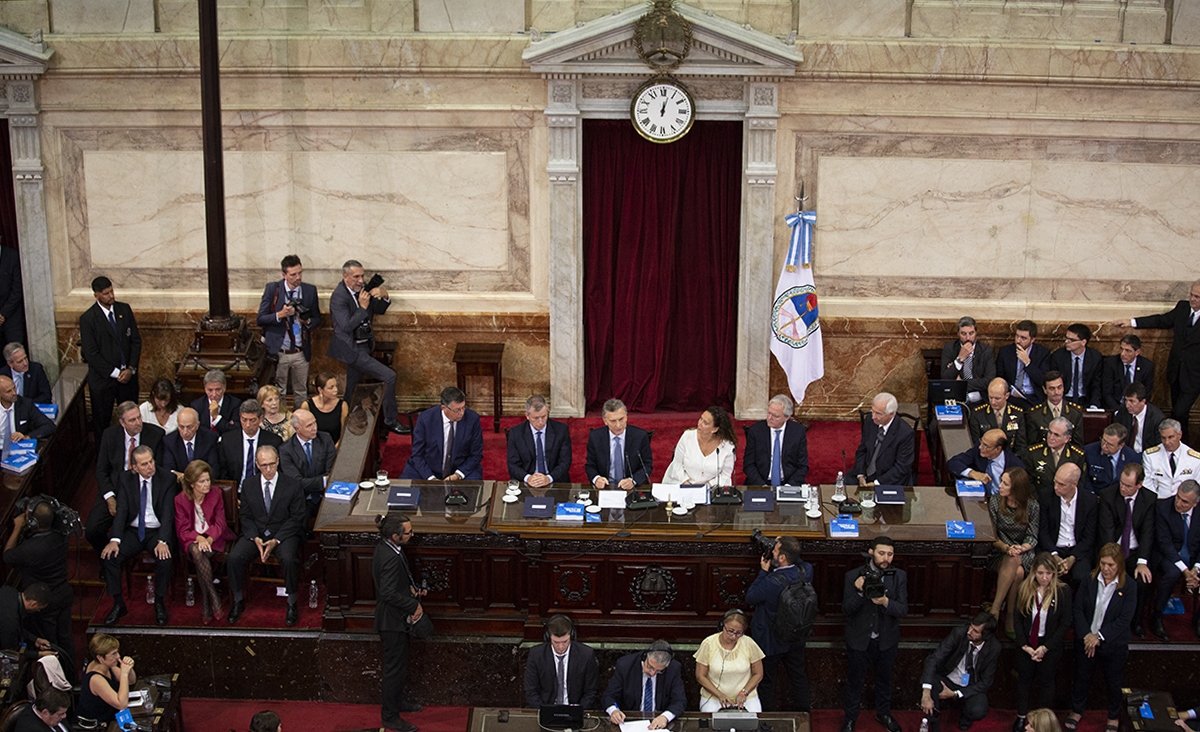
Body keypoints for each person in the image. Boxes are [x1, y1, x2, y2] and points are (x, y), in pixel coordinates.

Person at [227, 445, 305, 626]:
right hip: (257, 533)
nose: (268, 469)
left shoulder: (292, 484)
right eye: (264, 465)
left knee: (288, 558)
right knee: (234, 557)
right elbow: (245, 516)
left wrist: (276, 540)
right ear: (257, 464)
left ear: (278, 462)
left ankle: (292, 602)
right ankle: (237, 600)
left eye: (272, 464)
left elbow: (297, 518)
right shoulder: (248, 484)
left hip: (283, 534)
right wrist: (255, 537)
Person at [1114, 280, 1200, 442]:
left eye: (1197, 297)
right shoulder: (1183, 308)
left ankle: (1181, 446)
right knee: (1177, 412)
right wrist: (1132, 322)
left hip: (1194, 375)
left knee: (1179, 412)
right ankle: (1177, 444)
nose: (1193, 299)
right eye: (1192, 295)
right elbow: (1162, 320)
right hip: (1176, 371)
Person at [100, 445, 177, 627]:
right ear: (135, 468)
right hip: (134, 530)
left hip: (157, 531)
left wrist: (163, 540)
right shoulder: (125, 479)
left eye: (151, 461)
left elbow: (168, 513)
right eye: (144, 464)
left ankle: (159, 602)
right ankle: (119, 604)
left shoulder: (167, 479)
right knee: (110, 557)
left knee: (164, 558)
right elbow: (122, 511)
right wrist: (115, 539)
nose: (150, 466)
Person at [1067, 543, 1137, 732]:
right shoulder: (1089, 580)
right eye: (1103, 563)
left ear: (1119, 566)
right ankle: (1076, 711)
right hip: (1086, 640)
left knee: (1114, 682)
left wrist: (1099, 636)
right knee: (1081, 677)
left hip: (1113, 644)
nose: (1105, 569)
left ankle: (1113, 716)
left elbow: (1124, 619)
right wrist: (1087, 636)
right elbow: (1078, 609)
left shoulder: (1129, 586)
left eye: (1111, 565)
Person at [327, 259, 403, 434]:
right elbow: (346, 326)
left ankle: (343, 420)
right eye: (356, 276)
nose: (361, 280)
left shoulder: (361, 290)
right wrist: (362, 307)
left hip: (364, 346)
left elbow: (379, 309)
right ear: (346, 277)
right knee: (389, 376)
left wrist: (384, 295)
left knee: (352, 388)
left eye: (362, 276)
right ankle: (390, 420)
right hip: (351, 350)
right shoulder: (339, 297)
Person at [841, 536, 908, 732]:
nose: (886, 558)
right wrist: (860, 592)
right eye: (881, 553)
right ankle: (850, 719)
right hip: (859, 640)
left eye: (890, 554)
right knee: (854, 682)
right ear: (871, 552)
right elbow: (846, 609)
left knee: (884, 681)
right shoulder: (853, 575)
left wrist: (885, 602)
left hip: (886, 640)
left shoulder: (899, 576)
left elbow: (903, 609)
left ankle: (884, 714)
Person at [3, 499, 74, 679]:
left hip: (45, 603)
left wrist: (18, 527)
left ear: (33, 522)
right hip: (63, 594)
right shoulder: (61, 536)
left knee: (50, 644)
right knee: (65, 638)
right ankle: (72, 677)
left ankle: (58, 681)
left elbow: (7, 555)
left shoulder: (31, 549)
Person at [85, 401, 165, 556]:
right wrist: (110, 498)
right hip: (116, 489)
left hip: (144, 488)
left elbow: (159, 470)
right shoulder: (109, 435)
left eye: (139, 417)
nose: (138, 423)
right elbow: (101, 471)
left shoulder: (156, 434)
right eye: (132, 420)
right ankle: (107, 560)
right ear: (122, 423)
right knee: (92, 530)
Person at [746, 535, 813, 712]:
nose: (772, 552)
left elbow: (751, 597)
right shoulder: (806, 570)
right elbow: (796, 559)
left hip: (771, 640)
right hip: (796, 636)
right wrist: (788, 546)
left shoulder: (771, 582)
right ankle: (803, 713)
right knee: (798, 676)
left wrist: (763, 571)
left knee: (767, 681)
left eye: (775, 551)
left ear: (782, 557)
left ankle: (768, 717)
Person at [373, 514, 424, 732]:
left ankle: (397, 703)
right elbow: (387, 592)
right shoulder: (389, 557)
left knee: (400, 667)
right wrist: (413, 605)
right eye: (408, 532)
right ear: (395, 536)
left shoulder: (389, 548)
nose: (412, 535)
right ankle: (390, 716)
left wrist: (411, 589)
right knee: (394, 670)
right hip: (391, 622)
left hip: (395, 618)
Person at [1012, 554, 1073, 732]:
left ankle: (1042, 722)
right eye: (1040, 573)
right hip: (1027, 644)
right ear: (1034, 572)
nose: (1044, 577)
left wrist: (1045, 648)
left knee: (1047, 682)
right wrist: (1025, 646)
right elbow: (1017, 618)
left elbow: (1064, 623)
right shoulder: (1024, 588)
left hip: (1049, 644)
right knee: (1024, 680)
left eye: (1049, 573)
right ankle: (1021, 717)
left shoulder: (1062, 592)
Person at [257, 254, 322, 410]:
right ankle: (281, 420)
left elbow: (317, 319)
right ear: (284, 275)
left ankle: (300, 420)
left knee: (301, 391)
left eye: (300, 273)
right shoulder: (273, 289)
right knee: (278, 392)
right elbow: (260, 318)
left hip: (300, 351)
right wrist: (281, 315)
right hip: (279, 351)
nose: (298, 277)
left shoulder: (309, 290)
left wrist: (306, 321)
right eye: (293, 274)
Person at [1098, 463, 1156, 638]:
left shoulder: (1149, 499)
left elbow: (1148, 532)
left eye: (1128, 486)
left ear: (1139, 485)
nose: (1123, 488)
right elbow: (1106, 531)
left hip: (1134, 552)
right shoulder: (1108, 495)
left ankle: (1136, 622)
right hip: (1112, 551)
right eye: (1122, 483)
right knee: (1109, 576)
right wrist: (1112, 561)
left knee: (1143, 581)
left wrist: (1142, 562)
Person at [79, 276, 141, 438]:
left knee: (132, 420)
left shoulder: (124, 310)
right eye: (106, 293)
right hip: (103, 381)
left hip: (128, 378)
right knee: (102, 423)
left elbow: (135, 341)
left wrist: (131, 369)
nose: (111, 296)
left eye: (111, 291)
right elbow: (91, 353)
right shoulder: (88, 319)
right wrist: (115, 373)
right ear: (96, 295)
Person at [173, 459, 234, 624]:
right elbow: (182, 530)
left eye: (208, 480)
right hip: (192, 538)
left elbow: (220, 523)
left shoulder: (216, 493)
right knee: (196, 550)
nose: (207, 484)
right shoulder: (180, 499)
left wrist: (208, 538)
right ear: (192, 484)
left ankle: (207, 603)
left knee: (200, 552)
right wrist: (198, 538)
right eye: (202, 481)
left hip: (214, 537)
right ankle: (212, 596)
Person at [919, 612, 1000, 732]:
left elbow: (986, 682)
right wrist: (926, 693)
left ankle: (965, 718)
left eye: (975, 631)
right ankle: (934, 726)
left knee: (978, 710)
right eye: (971, 627)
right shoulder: (959, 633)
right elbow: (933, 659)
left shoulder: (994, 648)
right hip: (948, 678)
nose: (969, 632)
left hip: (971, 684)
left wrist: (956, 694)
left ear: (986, 636)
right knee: (931, 684)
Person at [987, 467, 1039, 634]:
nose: (1000, 485)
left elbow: (1032, 536)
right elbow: (992, 534)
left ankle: (995, 609)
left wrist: (1020, 548)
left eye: (1005, 483)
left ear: (1016, 488)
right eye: (1001, 481)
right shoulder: (995, 501)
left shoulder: (1032, 506)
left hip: (1023, 553)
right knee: (1017, 572)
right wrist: (1007, 548)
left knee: (1016, 564)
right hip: (1000, 551)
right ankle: (1009, 615)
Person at [1150, 478, 1200, 642]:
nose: (1178, 503)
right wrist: (1185, 571)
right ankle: (1157, 616)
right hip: (1168, 555)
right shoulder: (1164, 508)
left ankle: (1198, 619)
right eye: (1178, 497)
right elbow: (1164, 543)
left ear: (1195, 503)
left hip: (1193, 556)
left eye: (1184, 502)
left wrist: (1196, 569)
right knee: (1171, 573)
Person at [400, 386, 484, 481]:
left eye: (463, 407)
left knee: (473, 488)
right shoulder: (426, 419)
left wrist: (457, 475)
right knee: (404, 489)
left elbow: (476, 455)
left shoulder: (472, 419)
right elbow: (417, 454)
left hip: (460, 469)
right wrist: (431, 478)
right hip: (428, 468)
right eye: (457, 410)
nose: (462, 413)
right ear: (444, 408)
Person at [601, 640, 686, 730]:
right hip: (630, 722)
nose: (653, 673)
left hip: (659, 723)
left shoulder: (673, 668)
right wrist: (614, 711)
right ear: (645, 657)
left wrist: (665, 717)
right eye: (650, 667)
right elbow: (609, 696)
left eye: (658, 671)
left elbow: (680, 701)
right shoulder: (625, 665)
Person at [1037, 462, 1096, 587]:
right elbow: (1043, 531)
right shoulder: (1046, 496)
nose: (1056, 487)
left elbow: (1089, 536)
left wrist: (1073, 557)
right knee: (1046, 574)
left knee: (1082, 577)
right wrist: (1054, 554)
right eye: (1055, 482)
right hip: (1052, 548)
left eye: (1061, 484)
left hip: (1078, 550)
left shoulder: (1089, 501)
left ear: (1074, 484)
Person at [694, 610, 765, 712]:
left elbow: (758, 674)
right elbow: (700, 676)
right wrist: (719, 694)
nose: (733, 636)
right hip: (714, 697)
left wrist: (744, 693)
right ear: (723, 625)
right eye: (730, 631)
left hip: (746, 697)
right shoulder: (708, 643)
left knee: (753, 723)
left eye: (738, 633)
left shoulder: (749, 643)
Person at [523, 614, 599, 708]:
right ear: (548, 637)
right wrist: (544, 711)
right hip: (546, 709)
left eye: (565, 641)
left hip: (576, 711)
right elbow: (531, 691)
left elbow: (591, 691)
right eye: (556, 642)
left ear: (571, 636)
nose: (561, 647)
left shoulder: (586, 654)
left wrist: (578, 711)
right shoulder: (536, 655)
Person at [280, 409, 337, 518]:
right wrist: (323, 480)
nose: (314, 428)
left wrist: (308, 482)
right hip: (302, 498)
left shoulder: (325, 439)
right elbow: (296, 483)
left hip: (326, 494)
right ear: (297, 429)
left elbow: (332, 472)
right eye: (309, 426)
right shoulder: (286, 450)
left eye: (315, 422)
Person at [585, 398, 653, 489]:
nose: (618, 425)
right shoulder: (595, 437)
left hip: (632, 487)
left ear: (626, 416)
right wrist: (596, 478)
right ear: (605, 421)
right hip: (606, 486)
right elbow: (590, 465)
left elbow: (647, 465)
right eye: (613, 421)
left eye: (621, 419)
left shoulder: (640, 436)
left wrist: (633, 480)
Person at [743, 394, 809, 486]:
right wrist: (762, 486)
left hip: (788, 482)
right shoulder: (755, 431)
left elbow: (802, 466)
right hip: (760, 482)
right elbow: (749, 465)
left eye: (775, 416)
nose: (769, 418)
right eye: (768, 413)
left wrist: (789, 486)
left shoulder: (798, 432)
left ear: (786, 418)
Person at [851, 392, 915, 489]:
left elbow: (901, 467)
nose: (873, 416)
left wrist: (876, 483)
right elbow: (862, 449)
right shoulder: (870, 421)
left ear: (891, 414)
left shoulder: (905, 433)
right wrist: (860, 474)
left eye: (878, 413)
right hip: (864, 475)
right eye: (872, 411)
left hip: (888, 480)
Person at [663, 406, 737, 487]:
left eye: (705, 423)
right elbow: (676, 464)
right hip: (681, 483)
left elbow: (725, 476)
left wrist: (706, 487)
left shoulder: (727, 447)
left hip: (711, 489)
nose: (699, 423)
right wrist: (688, 485)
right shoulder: (687, 436)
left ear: (715, 429)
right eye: (701, 419)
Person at [508, 395, 572, 486]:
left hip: (554, 480)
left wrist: (549, 478)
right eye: (536, 418)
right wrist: (528, 478)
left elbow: (565, 462)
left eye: (544, 416)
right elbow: (513, 465)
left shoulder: (561, 430)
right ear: (527, 415)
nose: (541, 422)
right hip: (527, 482)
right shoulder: (516, 433)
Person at [77, 633, 135, 731]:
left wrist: (129, 668)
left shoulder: (108, 665)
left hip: (111, 716)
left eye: (117, 652)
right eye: (113, 654)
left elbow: (131, 681)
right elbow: (121, 704)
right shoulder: (95, 678)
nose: (118, 656)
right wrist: (124, 673)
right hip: (99, 725)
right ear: (100, 657)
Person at [217, 399, 284, 483]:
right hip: (236, 490)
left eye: (252, 420)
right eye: (244, 420)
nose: (248, 425)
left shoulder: (274, 441)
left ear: (261, 418)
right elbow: (223, 470)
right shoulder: (228, 440)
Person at [947, 429, 1025, 496]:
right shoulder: (978, 451)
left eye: (985, 446)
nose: (980, 447)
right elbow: (953, 462)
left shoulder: (1016, 465)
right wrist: (972, 473)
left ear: (997, 449)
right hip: (980, 500)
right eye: (981, 442)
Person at [995, 320, 1051, 409]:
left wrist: (1028, 363)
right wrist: (1011, 391)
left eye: (1023, 338)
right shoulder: (1005, 352)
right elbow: (999, 377)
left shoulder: (1043, 353)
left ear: (1032, 340)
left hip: (1033, 397)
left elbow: (1043, 381)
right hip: (1011, 396)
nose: (1018, 341)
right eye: (1017, 336)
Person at [1023, 417, 1086, 493]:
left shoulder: (1077, 456)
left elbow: (1079, 484)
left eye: (1056, 435)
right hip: (1039, 499)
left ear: (1067, 438)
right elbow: (1028, 481)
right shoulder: (1033, 453)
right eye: (1050, 432)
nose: (1051, 437)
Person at [941, 316, 996, 404]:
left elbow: (989, 380)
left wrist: (962, 384)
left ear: (976, 333)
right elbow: (945, 377)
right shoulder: (950, 348)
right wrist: (960, 359)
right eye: (963, 334)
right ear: (958, 333)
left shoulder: (986, 351)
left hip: (979, 397)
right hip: (956, 396)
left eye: (971, 333)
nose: (968, 338)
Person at [1142, 419, 1200, 499]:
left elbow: (1197, 487)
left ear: (1179, 435)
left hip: (1184, 503)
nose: (1167, 442)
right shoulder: (1150, 456)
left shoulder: (1195, 459)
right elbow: (1147, 484)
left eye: (1170, 437)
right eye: (1163, 438)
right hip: (1158, 503)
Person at [1025, 371, 1084, 448]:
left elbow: (1078, 445)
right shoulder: (1035, 414)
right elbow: (1033, 446)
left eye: (1059, 387)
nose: (1056, 392)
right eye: (1052, 388)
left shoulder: (1075, 412)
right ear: (1045, 390)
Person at [1050, 324, 1103, 408]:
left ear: (1083, 342)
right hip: (1064, 398)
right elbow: (1053, 382)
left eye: (1071, 340)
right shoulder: (1058, 356)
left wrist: (1094, 405)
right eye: (1066, 338)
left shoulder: (1095, 357)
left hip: (1085, 399)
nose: (1066, 342)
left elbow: (1096, 384)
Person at [968, 378, 1027, 453]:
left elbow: (1021, 447)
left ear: (1007, 396)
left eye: (997, 398)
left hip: (1009, 459)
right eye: (990, 397)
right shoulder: (978, 414)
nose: (993, 402)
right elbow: (975, 444)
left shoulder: (1017, 414)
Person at [1082, 423, 1140, 495]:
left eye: (1110, 444)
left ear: (1121, 445)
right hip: (1096, 497)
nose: (1104, 446)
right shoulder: (1089, 452)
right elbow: (1085, 480)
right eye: (1103, 440)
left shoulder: (1132, 457)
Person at [1101, 334, 1154, 411]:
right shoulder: (1111, 363)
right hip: (1116, 406)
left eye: (1128, 351)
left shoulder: (1147, 366)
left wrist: (1135, 409)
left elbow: (1146, 394)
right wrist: (1118, 411)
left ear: (1137, 352)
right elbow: (1107, 393)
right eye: (1121, 349)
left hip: (1136, 407)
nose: (1123, 354)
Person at [161, 407, 218, 475]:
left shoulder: (209, 438)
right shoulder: (170, 441)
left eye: (189, 427)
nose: (185, 432)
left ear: (197, 425)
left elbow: (214, 468)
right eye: (181, 427)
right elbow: (168, 469)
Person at [1113, 382, 1165, 453]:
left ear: (1143, 401)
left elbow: (1159, 446)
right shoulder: (1123, 411)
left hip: (1147, 455)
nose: (1127, 405)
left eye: (1131, 401)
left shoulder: (1157, 419)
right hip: (1126, 453)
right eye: (1126, 400)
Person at [0, 583, 50, 658]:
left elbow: (17, 628)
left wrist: (35, 639)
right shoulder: (10, 621)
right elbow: (10, 654)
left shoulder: (9, 590)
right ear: (33, 604)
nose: (39, 610)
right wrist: (39, 654)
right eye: (39, 608)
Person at [299, 372, 349, 447]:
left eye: (336, 386)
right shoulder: (307, 405)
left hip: (335, 448)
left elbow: (344, 434)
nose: (336, 390)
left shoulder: (342, 405)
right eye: (331, 388)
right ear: (320, 389)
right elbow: (303, 433)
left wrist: (334, 449)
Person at [0, 375, 55, 441]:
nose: (14, 393)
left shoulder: (26, 404)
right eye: (9, 391)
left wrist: (27, 436)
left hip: (18, 448)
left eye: (14, 388)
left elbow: (49, 426)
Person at [191, 369, 242, 435]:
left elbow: (235, 431)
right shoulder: (196, 405)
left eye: (218, 389)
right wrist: (227, 424)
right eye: (210, 390)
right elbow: (196, 431)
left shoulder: (235, 404)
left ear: (224, 388)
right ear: (205, 389)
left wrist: (216, 417)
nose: (214, 394)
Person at [0, 245, 24, 347]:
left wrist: (3, 314)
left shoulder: (13, 256)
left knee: (16, 352)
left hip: (12, 316)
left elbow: (18, 290)